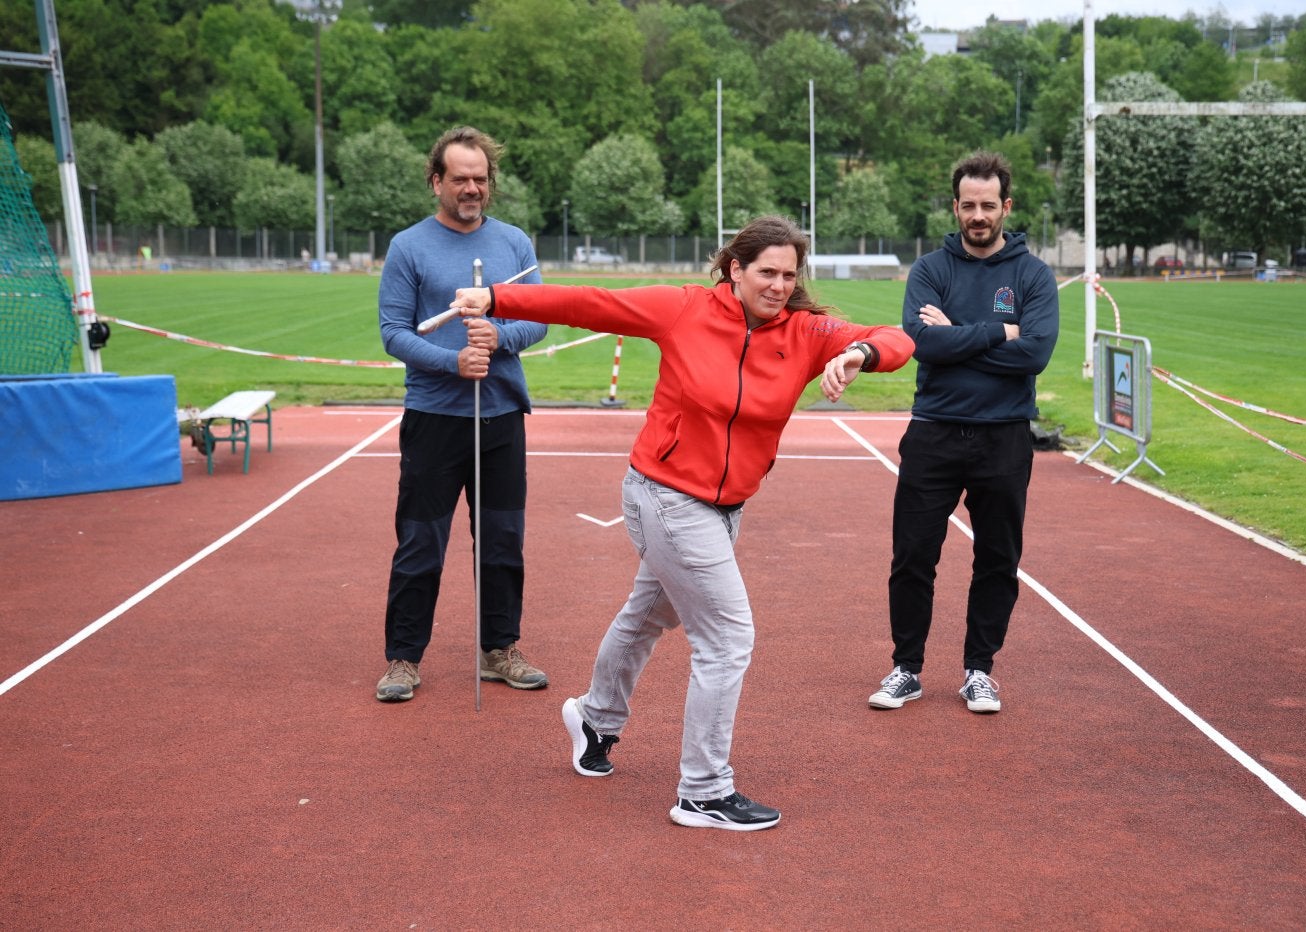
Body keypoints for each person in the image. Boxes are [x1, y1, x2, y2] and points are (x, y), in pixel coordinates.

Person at [449, 216, 913, 830]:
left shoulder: (805, 332)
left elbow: (897, 338)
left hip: (726, 507)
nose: (777, 285)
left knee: (650, 613)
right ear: (735, 270)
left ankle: (594, 717)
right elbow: (591, 303)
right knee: (727, 638)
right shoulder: (684, 310)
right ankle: (703, 790)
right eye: (765, 272)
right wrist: (497, 298)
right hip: (663, 495)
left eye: (787, 274)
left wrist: (858, 351)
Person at [870, 150, 1059, 715]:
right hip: (934, 433)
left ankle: (980, 670)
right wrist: (1001, 331)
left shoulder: (1032, 274)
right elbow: (921, 344)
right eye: (968, 205)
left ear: (1006, 206)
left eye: (988, 205)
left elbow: (1037, 354)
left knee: (997, 559)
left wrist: (963, 336)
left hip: (1003, 437)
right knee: (912, 555)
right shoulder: (931, 270)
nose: (978, 215)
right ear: (955, 207)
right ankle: (907, 668)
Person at [374, 125, 549, 703]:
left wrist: (495, 340)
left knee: (501, 540)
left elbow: (539, 317)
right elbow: (394, 333)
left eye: (480, 179)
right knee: (421, 541)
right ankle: (403, 657)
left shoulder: (514, 244)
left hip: (501, 415)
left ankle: (499, 649)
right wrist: (454, 362)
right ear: (436, 182)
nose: (471, 189)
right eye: (460, 179)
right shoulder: (409, 247)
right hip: (434, 419)